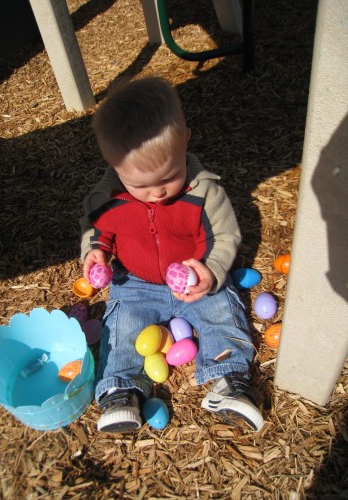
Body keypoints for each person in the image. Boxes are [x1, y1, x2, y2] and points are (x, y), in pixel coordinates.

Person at [80, 76, 264, 433]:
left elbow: (225, 234)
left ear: (185, 140)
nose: (156, 193)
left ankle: (229, 380)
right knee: (123, 326)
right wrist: (96, 253)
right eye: (139, 185)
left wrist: (209, 272)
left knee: (220, 310)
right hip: (136, 282)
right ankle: (120, 390)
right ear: (113, 165)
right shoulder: (110, 196)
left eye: (169, 177)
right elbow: (96, 228)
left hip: (195, 278)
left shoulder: (203, 192)